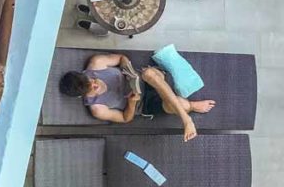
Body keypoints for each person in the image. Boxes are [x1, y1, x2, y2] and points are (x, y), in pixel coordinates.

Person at [59, 52, 215, 142]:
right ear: (81, 97)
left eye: (92, 80)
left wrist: (129, 71)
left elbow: (121, 58)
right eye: (91, 89)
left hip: (147, 78)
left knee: (148, 74)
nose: (95, 85)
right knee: (181, 103)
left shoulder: (96, 63)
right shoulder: (97, 108)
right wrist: (132, 103)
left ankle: (187, 119)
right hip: (145, 104)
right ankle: (190, 108)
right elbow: (126, 118)